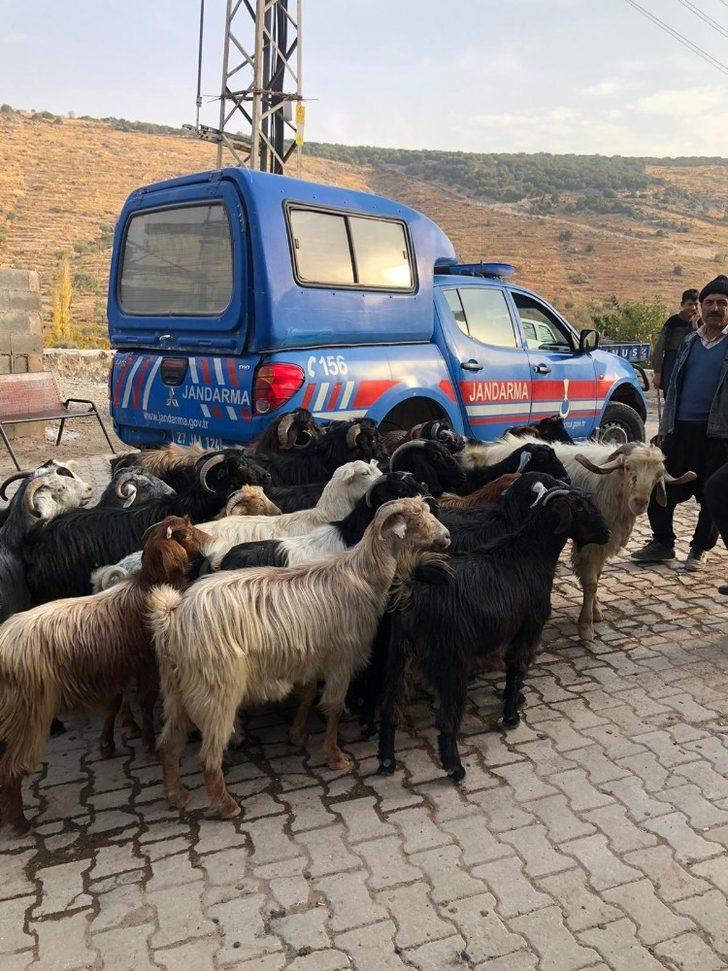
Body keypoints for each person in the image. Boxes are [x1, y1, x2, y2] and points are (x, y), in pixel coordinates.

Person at [632, 275, 728, 571]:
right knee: (662, 484)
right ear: (701, 307)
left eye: (722, 303)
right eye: (709, 302)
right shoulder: (689, 341)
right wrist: (663, 430)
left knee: (711, 492)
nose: (715, 308)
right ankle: (663, 542)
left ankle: (699, 549)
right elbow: (674, 388)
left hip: (719, 433)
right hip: (680, 427)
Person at [651, 289, 700, 396]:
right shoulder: (673, 322)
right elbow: (659, 347)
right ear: (682, 305)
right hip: (672, 363)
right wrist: (658, 373)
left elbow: (701, 343)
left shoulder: (700, 323)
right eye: (689, 304)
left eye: (696, 304)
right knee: (671, 395)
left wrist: (695, 325)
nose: (693, 308)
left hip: (692, 364)